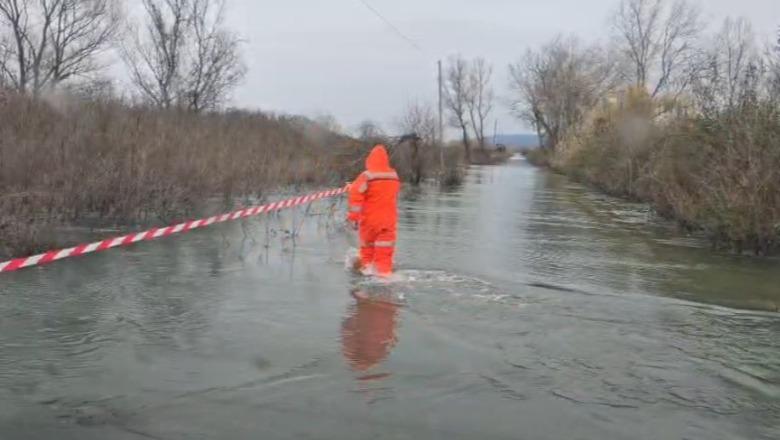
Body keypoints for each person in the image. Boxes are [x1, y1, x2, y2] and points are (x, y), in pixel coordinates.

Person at [347, 144, 400, 277]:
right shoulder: (394, 176)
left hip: (370, 222)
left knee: (367, 255)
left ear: (370, 159)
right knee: (385, 256)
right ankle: (385, 278)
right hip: (388, 223)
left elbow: (356, 193)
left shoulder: (366, 176)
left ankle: (367, 274)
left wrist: (353, 218)